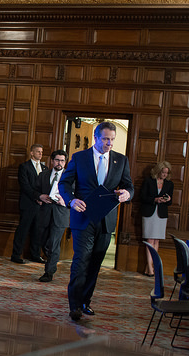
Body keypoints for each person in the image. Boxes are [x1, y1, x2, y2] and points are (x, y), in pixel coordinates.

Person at [59, 121, 134, 321]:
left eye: (112, 140)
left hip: (105, 220)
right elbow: (64, 183)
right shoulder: (79, 157)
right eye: (106, 139)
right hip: (82, 218)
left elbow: (129, 186)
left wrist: (127, 193)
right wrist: (71, 200)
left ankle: (85, 302)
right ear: (96, 138)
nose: (109, 143)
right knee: (81, 260)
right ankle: (74, 305)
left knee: (95, 263)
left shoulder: (121, 160)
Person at [36, 149, 70, 282]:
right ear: (52, 161)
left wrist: (65, 201)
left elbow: (77, 193)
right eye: (57, 160)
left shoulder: (70, 176)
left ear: (65, 162)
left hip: (60, 215)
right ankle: (49, 263)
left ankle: (49, 272)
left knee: (53, 243)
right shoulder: (43, 175)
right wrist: (40, 196)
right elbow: (35, 190)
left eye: (62, 160)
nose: (59, 163)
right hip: (44, 213)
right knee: (44, 242)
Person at [11, 144, 48, 264]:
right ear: (31, 153)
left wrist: (42, 198)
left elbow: (46, 185)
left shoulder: (45, 168)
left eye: (41, 152)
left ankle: (35, 255)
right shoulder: (24, 167)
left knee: (38, 231)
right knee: (23, 229)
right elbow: (25, 186)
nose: (40, 154)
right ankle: (16, 255)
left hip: (41, 205)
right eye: (38, 152)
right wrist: (37, 197)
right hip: (28, 204)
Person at [140, 161, 173, 276]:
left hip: (161, 214)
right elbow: (142, 197)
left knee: (156, 240)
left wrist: (167, 200)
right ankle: (150, 267)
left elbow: (170, 202)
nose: (164, 175)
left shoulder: (169, 184)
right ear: (158, 171)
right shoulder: (149, 181)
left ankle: (149, 267)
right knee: (149, 240)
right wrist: (155, 199)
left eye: (166, 173)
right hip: (149, 213)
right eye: (163, 172)